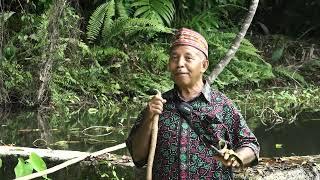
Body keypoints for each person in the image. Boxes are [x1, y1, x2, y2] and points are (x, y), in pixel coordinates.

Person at [126, 28, 260, 179]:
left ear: (204, 65)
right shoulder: (158, 106)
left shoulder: (222, 105)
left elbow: (251, 145)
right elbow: (137, 157)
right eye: (174, 58)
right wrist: (149, 118)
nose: (180, 64)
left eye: (188, 58)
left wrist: (237, 157)